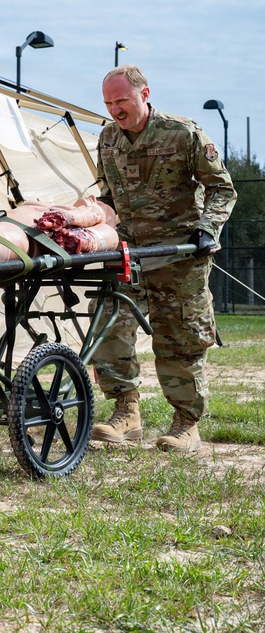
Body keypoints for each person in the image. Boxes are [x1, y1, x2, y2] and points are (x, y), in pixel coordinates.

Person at [90, 65, 236, 453]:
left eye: (121, 100)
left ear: (144, 94)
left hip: (178, 257)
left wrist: (208, 227)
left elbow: (222, 190)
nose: (115, 110)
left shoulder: (182, 133)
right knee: (108, 323)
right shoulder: (107, 139)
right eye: (107, 103)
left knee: (179, 340)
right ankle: (126, 412)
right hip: (128, 254)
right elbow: (108, 197)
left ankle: (186, 425)